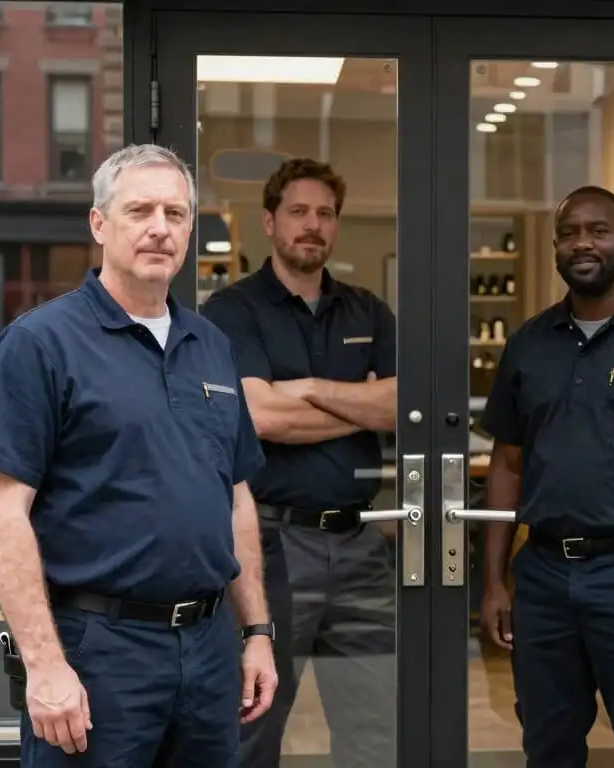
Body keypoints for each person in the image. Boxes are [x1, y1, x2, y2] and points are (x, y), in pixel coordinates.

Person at [0, 143, 278, 768]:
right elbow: (0, 511)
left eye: (176, 213)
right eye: (140, 211)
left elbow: (235, 499)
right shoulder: (41, 344)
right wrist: (44, 665)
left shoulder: (211, 345)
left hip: (208, 651)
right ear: (99, 224)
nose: (160, 227)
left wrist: (257, 633)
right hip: (98, 651)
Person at [478, 185, 614, 767]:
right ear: (555, 246)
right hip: (545, 576)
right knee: (547, 745)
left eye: (598, 231)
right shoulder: (528, 344)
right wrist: (494, 581)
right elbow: (507, 463)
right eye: (570, 233)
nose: (583, 243)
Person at [201, 157, 398, 768]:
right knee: (254, 722)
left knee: (375, 726)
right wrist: (360, 403)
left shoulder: (368, 311)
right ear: (269, 221)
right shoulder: (233, 311)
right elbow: (261, 417)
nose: (313, 225)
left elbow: (403, 406)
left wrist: (306, 387)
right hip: (272, 544)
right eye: (298, 212)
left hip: (362, 546)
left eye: (325, 214)